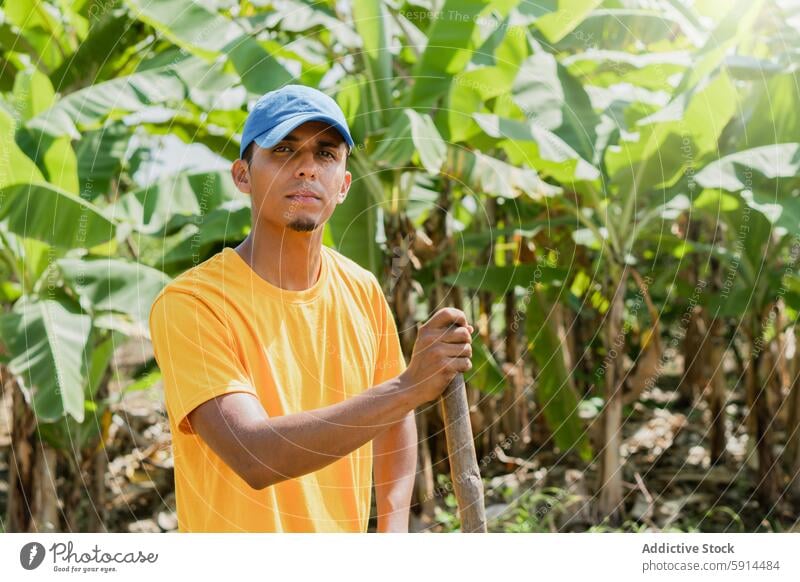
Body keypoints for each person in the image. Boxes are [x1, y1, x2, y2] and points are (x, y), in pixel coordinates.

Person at [148, 84, 474, 532]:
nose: (306, 169)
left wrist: (392, 532)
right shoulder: (194, 304)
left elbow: (394, 422)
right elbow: (253, 455)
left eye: (325, 154)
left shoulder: (361, 290)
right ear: (243, 175)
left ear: (343, 184)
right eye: (284, 150)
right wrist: (407, 387)